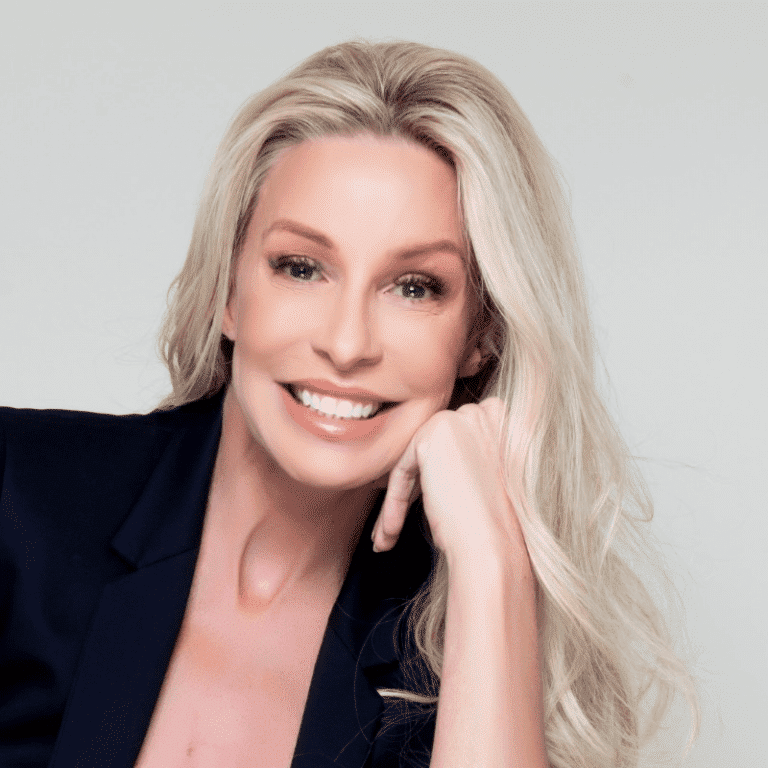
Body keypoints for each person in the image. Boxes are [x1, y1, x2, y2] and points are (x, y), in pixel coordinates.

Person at [0, 40, 699, 768]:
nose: (346, 343)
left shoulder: (456, 665)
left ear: (480, 337)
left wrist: (493, 563)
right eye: (302, 268)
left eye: (415, 287)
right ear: (228, 291)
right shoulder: (18, 498)